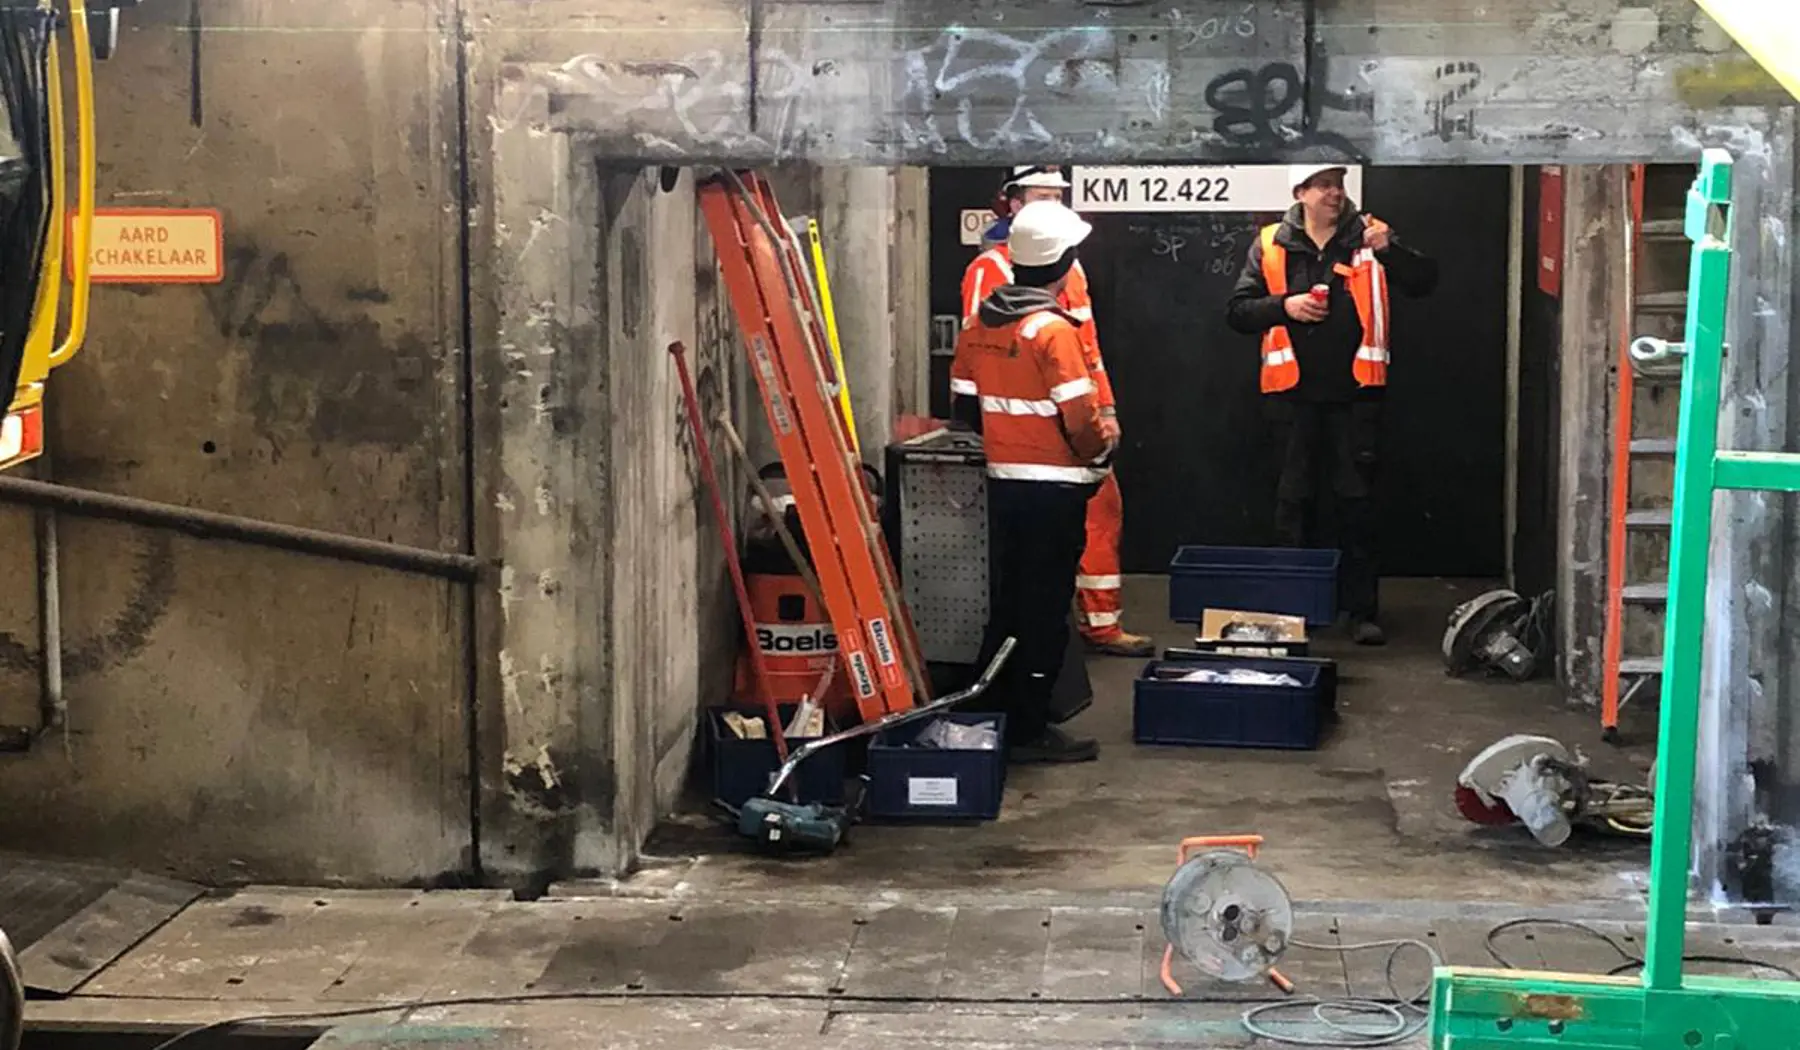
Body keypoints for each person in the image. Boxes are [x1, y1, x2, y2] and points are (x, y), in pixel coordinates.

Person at [1225, 164, 1438, 646]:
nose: (1334, 193)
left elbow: (1424, 280)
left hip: (1356, 397)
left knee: (1357, 506)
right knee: (1291, 505)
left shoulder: (1370, 236)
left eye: (1338, 185)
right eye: (1323, 185)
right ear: (1300, 192)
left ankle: (1360, 611)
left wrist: (1391, 250)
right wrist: (1284, 306)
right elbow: (1237, 312)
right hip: (1290, 398)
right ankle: (1292, 610)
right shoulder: (1271, 244)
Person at [959, 165, 1154, 659]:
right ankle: (1033, 682)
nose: (1052, 204)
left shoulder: (1071, 274)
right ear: (1013, 202)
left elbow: (1087, 350)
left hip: (1052, 446)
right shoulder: (990, 273)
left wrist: (1105, 410)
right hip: (1041, 451)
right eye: (1041, 196)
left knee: (1090, 527)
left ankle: (1099, 624)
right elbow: (982, 369)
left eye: (1057, 197)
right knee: (1035, 590)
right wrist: (1087, 439)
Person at [949, 200, 1113, 763]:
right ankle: (1030, 727)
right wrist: (1101, 452)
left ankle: (996, 710)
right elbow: (1082, 420)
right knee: (1044, 611)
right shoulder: (1052, 330)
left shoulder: (979, 326)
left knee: (1011, 604)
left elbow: (965, 409)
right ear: (1062, 262)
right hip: (1056, 490)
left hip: (1004, 485)